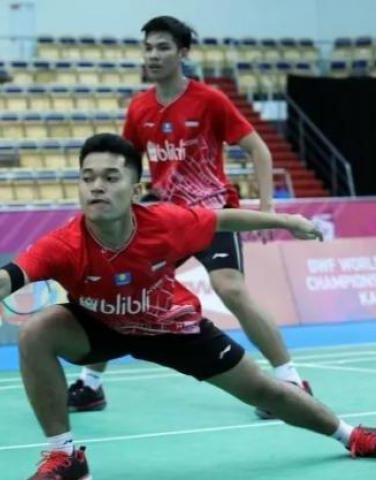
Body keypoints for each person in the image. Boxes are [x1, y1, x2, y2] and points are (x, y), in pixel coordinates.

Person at [0, 134, 376, 480]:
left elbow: (224, 220)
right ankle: (65, 453)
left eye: (110, 177)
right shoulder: (63, 244)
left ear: (133, 184)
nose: (97, 187)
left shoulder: (166, 222)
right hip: (100, 326)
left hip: (170, 325)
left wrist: (287, 222)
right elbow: (1, 282)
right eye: (87, 177)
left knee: (266, 390)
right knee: (36, 331)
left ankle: (352, 435)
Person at [68, 15, 310, 419]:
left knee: (231, 289)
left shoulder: (210, 100)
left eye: (163, 47)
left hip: (214, 214)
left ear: (182, 53)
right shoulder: (140, 108)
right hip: (166, 219)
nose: (153, 55)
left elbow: (259, 150)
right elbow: (126, 166)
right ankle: (91, 387)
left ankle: (291, 381)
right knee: (117, 290)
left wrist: (267, 212)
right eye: (148, 48)